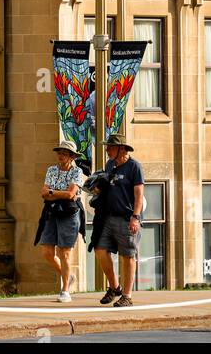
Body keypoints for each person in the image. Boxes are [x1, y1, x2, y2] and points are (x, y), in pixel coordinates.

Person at [92, 132, 145, 308]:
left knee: (127, 255)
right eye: (107, 147)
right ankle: (115, 287)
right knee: (100, 249)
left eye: (110, 147)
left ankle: (127, 296)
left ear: (121, 149)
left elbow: (139, 195)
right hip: (108, 217)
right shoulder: (110, 164)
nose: (107, 150)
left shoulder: (134, 167)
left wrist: (135, 217)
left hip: (127, 217)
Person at [34, 141, 85, 302]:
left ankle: (65, 291)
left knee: (65, 252)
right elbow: (43, 192)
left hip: (69, 213)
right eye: (59, 152)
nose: (60, 155)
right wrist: (56, 193)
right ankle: (68, 276)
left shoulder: (77, 171)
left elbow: (71, 195)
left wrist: (52, 192)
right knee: (47, 252)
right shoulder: (52, 170)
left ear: (71, 156)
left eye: (64, 153)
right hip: (52, 212)